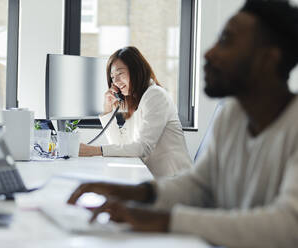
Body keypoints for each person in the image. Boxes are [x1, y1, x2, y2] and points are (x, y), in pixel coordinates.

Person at [68, 1, 298, 247]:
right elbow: (198, 185)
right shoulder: (233, 115)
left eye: (226, 41)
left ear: (267, 59)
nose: (208, 53)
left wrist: (165, 220)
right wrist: (133, 193)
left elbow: (288, 224)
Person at [78, 46, 192, 178]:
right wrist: (107, 110)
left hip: (175, 181)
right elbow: (121, 144)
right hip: (153, 179)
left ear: (136, 71)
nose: (115, 82)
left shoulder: (155, 95)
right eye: (112, 77)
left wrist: (94, 151)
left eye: (120, 74)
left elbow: (143, 148)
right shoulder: (136, 102)